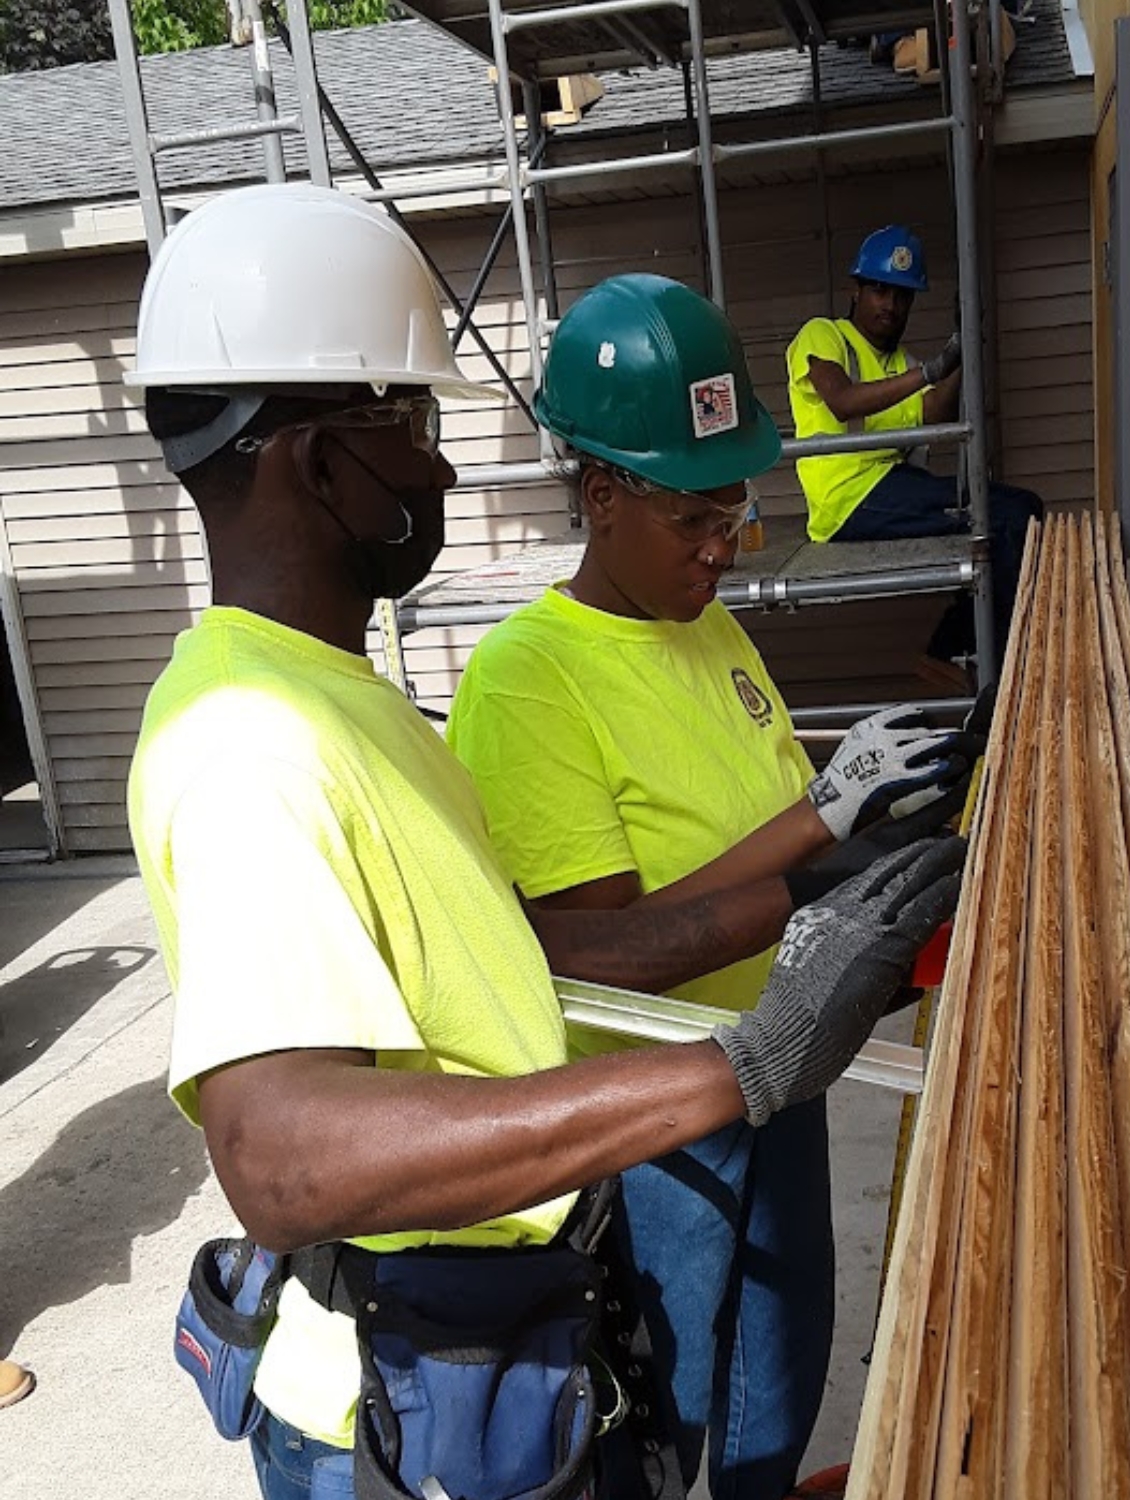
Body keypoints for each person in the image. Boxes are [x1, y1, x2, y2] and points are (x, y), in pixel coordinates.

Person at [124, 184, 966, 1500]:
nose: (442, 465)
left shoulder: (351, 705)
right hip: (398, 1410)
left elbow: (524, 967)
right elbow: (284, 1157)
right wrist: (737, 1065)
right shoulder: (246, 740)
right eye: (406, 421)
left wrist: (824, 882)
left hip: (504, 1326)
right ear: (309, 460)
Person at [445, 272, 984, 1500]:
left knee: (776, 1385)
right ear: (601, 494)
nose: (721, 549)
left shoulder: (709, 625)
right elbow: (608, 943)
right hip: (662, 1118)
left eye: (735, 516)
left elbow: (778, 809)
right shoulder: (533, 682)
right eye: (695, 516)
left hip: (782, 1053)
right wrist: (822, 831)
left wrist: (856, 812)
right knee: (673, 1420)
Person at [785, 224, 1043, 633]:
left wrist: (962, 350)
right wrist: (929, 371)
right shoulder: (825, 334)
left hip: (890, 485)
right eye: (880, 290)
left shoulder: (900, 363)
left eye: (903, 295)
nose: (891, 304)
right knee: (1011, 513)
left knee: (1017, 510)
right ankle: (987, 650)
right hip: (846, 500)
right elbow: (842, 400)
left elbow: (935, 414)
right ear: (856, 290)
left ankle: (957, 649)